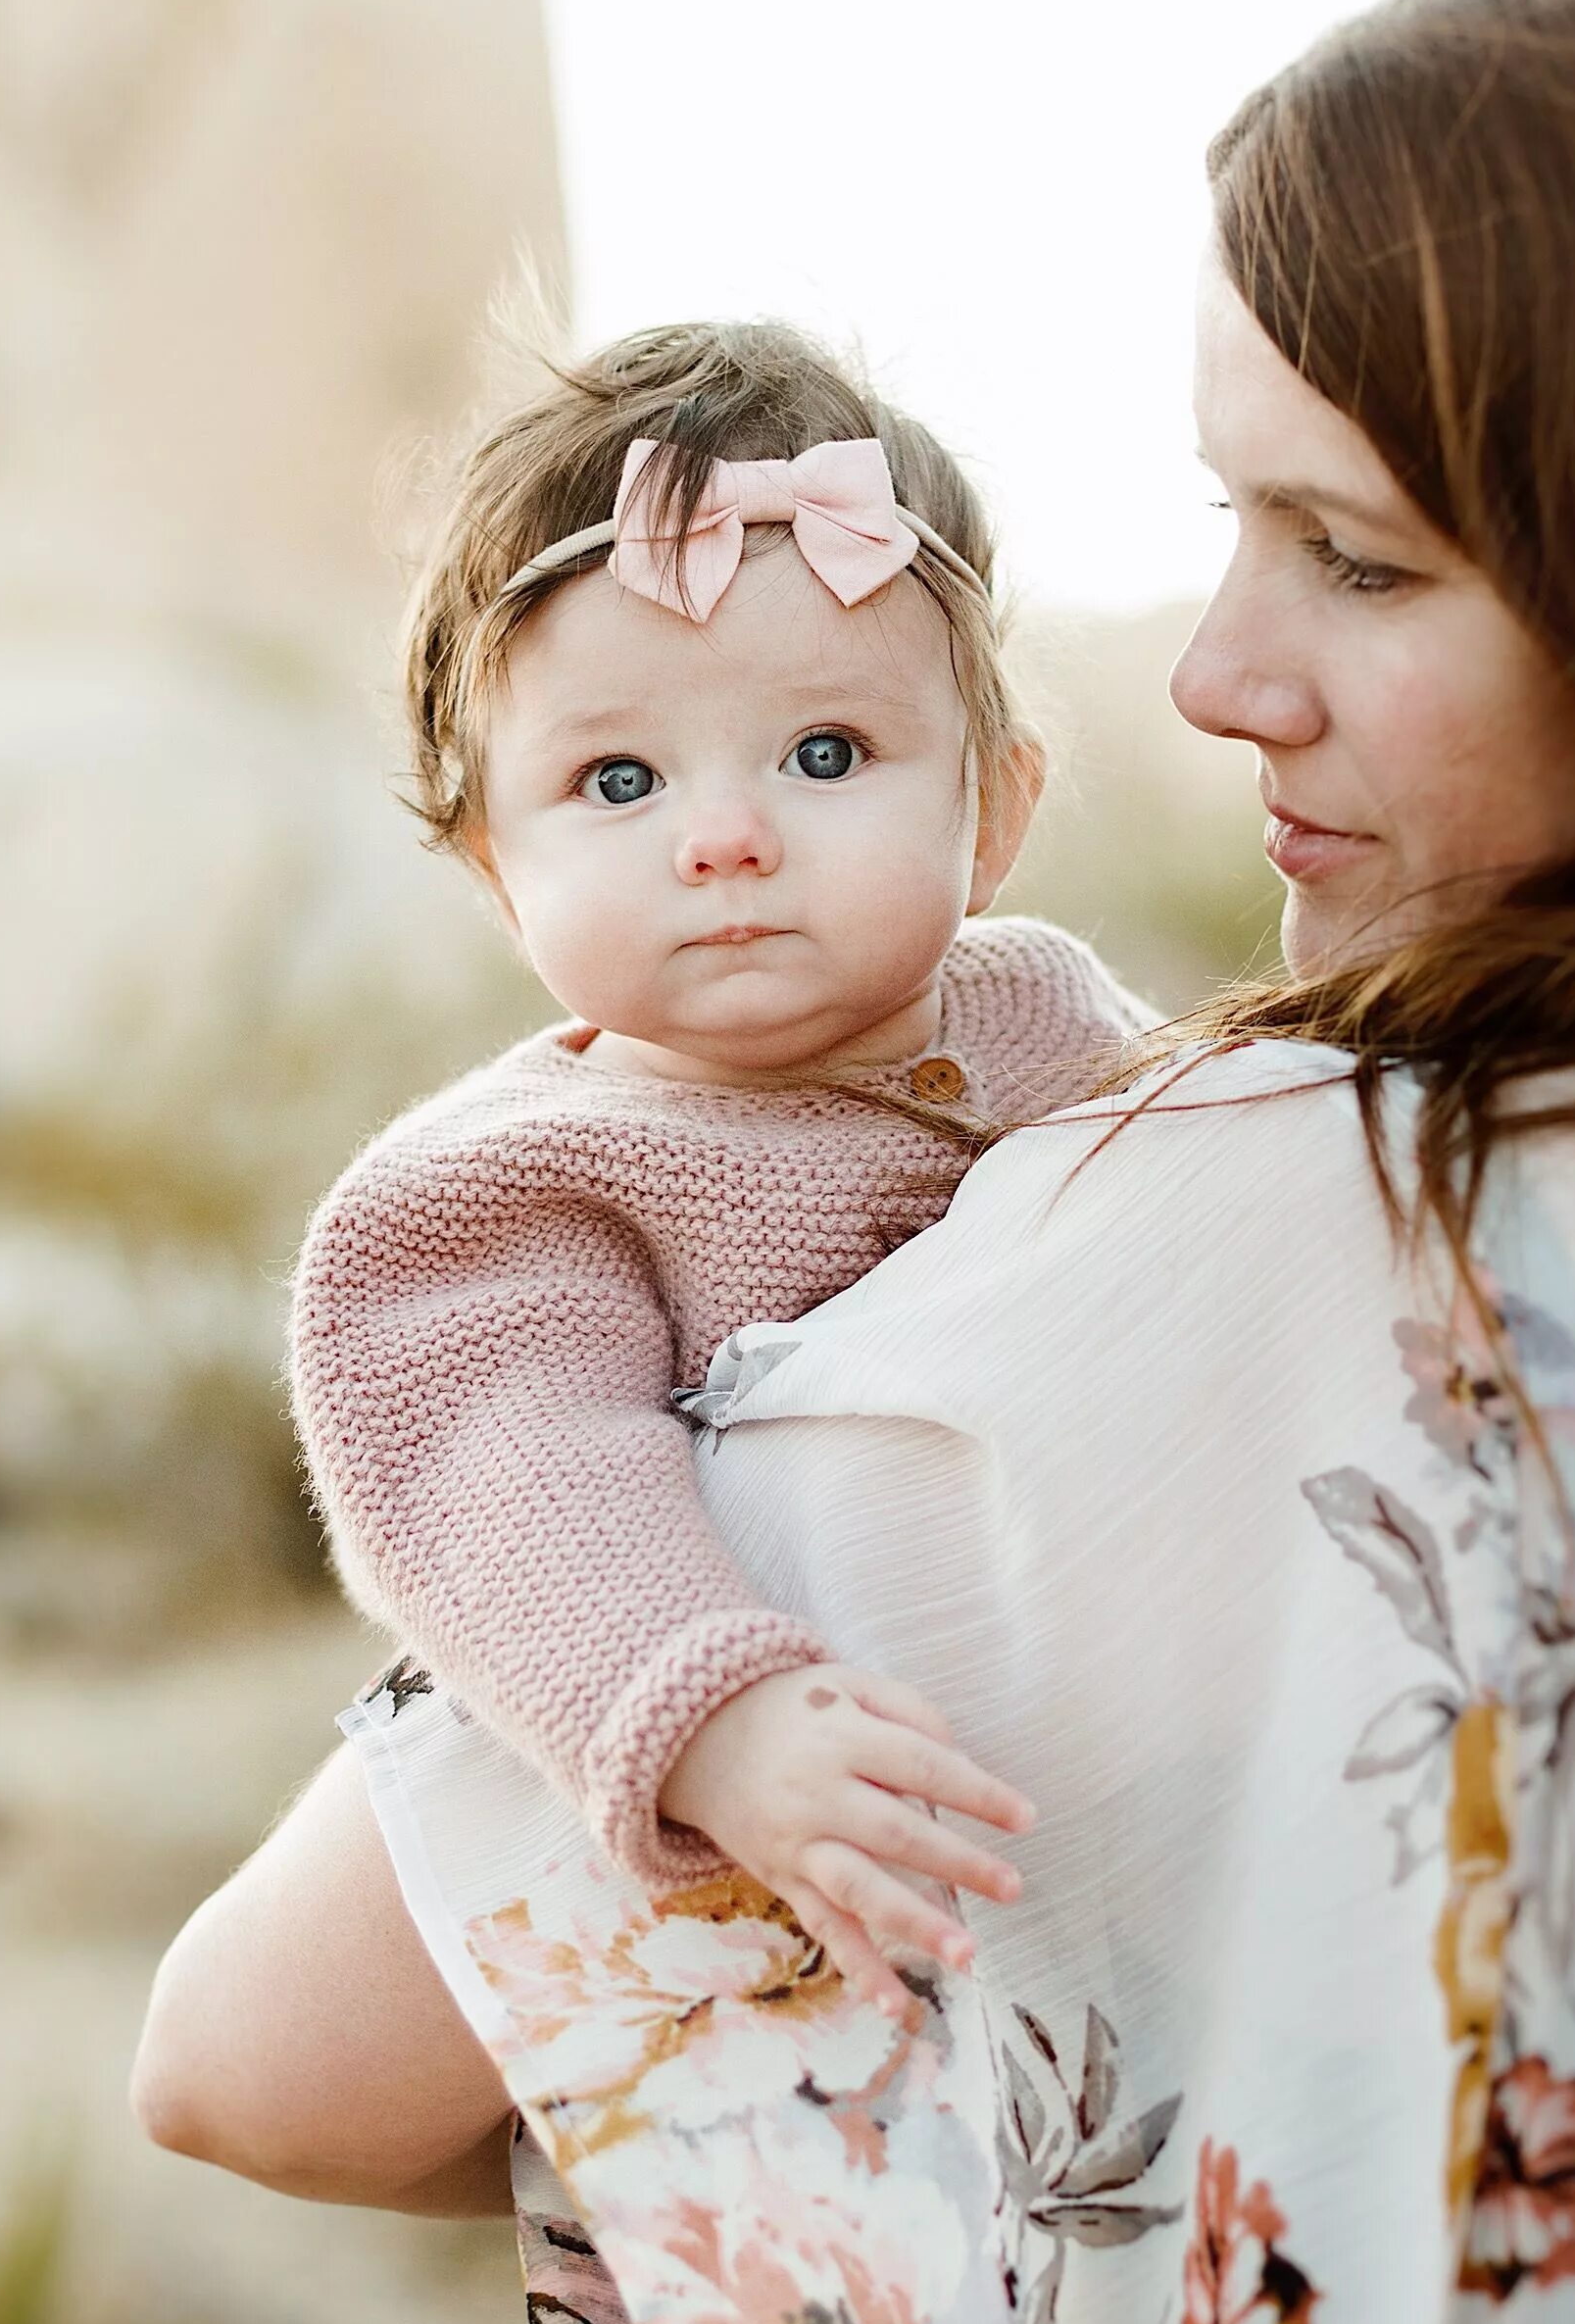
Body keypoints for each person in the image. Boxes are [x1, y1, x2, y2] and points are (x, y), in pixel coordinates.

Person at [137, 0, 1575, 2324]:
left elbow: (253, 2061)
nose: (1220, 674)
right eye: (1230, 530)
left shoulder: (1248, 1241)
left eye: (1353, 554)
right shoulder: (532, 1196)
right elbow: (491, 1444)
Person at [288, 321, 1149, 2014]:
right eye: (618, 779)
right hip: (758, 1883)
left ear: (996, 811)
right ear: (495, 868)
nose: (726, 833)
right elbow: (507, 1477)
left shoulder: (1056, 1017)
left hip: (1080, 1802)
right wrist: (713, 1712)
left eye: (825, 755)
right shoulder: (505, 1190)